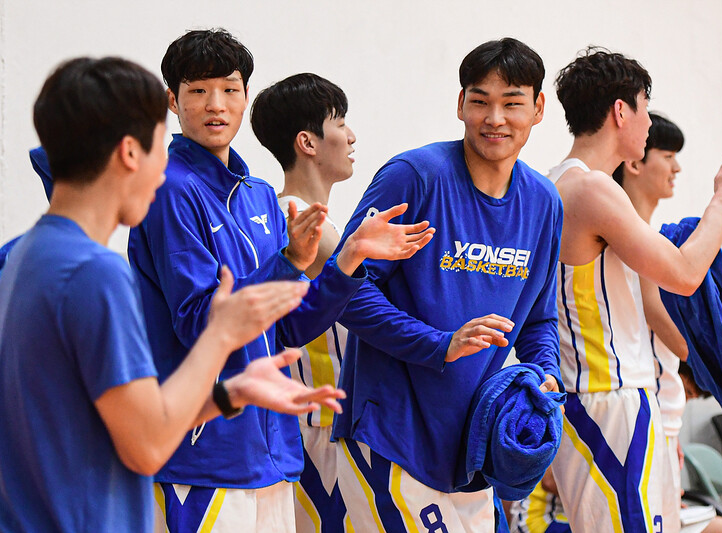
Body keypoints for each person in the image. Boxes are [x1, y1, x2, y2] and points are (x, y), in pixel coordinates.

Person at [0, 56, 346, 532]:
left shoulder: (19, 256)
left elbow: (134, 419)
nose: (167, 164)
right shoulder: (94, 273)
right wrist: (221, 336)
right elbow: (147, 444)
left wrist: (231, 392)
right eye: (160, 145)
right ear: (130, 152)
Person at [127, 29, 434, 532]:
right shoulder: (169, 189)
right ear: (173, 102)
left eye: (228, 90)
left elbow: (287, 327)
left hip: (271, 456)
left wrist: (348, 259)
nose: (215, 105)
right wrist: (288, 261)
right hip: (201, 458)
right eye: (198, 91)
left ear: (245, 96)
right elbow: (201, 323)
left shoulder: (257, 195)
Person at [331, 37, 562, 532]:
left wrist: (545, 373)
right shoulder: (414, 176)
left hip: (476, 446)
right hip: (392, 434)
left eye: (512, 103)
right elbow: (345, 289)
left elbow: (539, 318)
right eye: (480, 101)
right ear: (460, 104)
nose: (494, 118)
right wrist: (440, 344)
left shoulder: (544, 202)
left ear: (538, 109)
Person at [549, 47, 722, 533]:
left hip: (610, 397)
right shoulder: (592, 189)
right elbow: (685, 273)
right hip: (606, 396)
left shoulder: (561, 182)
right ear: (621, 111)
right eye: (646, 109)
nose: (649, 122)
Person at [250, 72, 358, 532]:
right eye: (341, 123)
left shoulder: (298, 215)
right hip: (318, 426)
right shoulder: (299, 217)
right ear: (307, 142)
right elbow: (377, 303)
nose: (351, 137)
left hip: (317, 422)